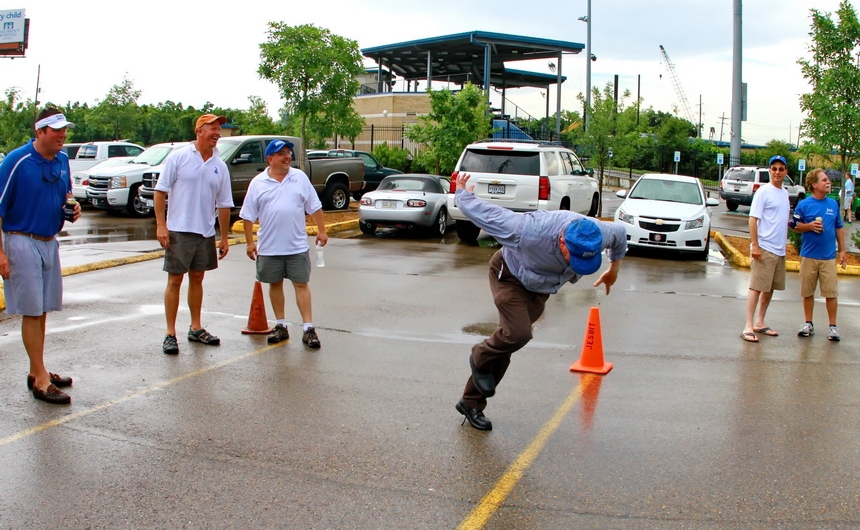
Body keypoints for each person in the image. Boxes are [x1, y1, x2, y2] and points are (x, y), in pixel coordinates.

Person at [452, 172, 627, 431]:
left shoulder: (598, 232)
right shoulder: (529, 230)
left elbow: (620, 235)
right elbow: (485, 214)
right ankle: (479, 354)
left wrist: (613, 270)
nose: (574, 265)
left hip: (539, 288)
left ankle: (471, 403)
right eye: (573, 257)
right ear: (562, 241)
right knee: (518, 334)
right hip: (509, 276)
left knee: (508, 343)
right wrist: (463, 194)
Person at [0, 107, 81, 404]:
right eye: (56, 129)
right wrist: (0, 254)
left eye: (65, 130)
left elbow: (66, 197)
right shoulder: (16, 161)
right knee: (32, 311)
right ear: (40, 131)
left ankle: (38, 369)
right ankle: (40, 380)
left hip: (49, 240)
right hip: (21, 239)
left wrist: (72, 210)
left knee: (43, 309)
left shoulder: (62, 160)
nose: (63, 135)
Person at [154, 114, 233, 355]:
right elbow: (160, 192)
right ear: (200, 130)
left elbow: (224, 203)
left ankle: (196, 328)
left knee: (197, 278)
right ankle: (170, 333)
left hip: (205, 231)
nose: (218, 133)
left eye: (219, 129)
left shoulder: (220, 166)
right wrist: (161, 226)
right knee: (175, 280)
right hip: (179, 229)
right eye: (213, 128)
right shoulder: (179, 157)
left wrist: (224, 236)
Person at [240, 139, 326, 348]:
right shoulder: (258, 183)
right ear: (270, 159)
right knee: (275, 284)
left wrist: (322, 230)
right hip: (269, 247)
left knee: (301, 284)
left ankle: (308, 328)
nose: (287, 157)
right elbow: (247, 216)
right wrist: (250, 243)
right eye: (281, 154)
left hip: (296, 246)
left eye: (288, 152)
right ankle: (281, 325)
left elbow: (314, 206)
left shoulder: (300, 178)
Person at [790, 168, 847, 341]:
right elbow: (793, 225)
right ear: (814, 184)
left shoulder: (833, 204)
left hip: (828, 257)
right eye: (824, 180)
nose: (828, 182)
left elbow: (839, 227)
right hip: (808, 256)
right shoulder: (804, 205)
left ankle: (833, 327)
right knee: (807, 292)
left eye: (827, 180)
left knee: (831, 293)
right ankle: (808, 323)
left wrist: (842, 250)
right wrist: (810, 226)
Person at [740, 155, 791, 343]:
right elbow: (753, 219)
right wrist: (755, 245)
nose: (777, 172)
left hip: (779, 250)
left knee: (769, 289)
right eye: (774, 168)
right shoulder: (763, 192)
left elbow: (782, 220)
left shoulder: (784, 194)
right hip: (764, 247)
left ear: (786, 172)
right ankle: (748, 326)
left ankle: (760, 322)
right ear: (770, 171)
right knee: (756, 287)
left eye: (781, 169)